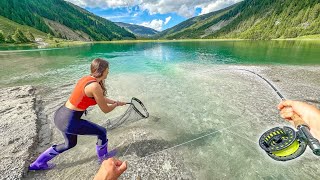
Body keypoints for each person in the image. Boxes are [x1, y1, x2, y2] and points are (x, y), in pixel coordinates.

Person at [29, 58, 126, 170]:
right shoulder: (95, 86)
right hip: (70, 121)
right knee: (102, 132)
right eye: (107, 70)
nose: (108, 72)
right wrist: (116, 105)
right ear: (102, 71)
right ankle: (103, 158)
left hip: (60, 115)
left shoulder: (87, 79)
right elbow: (106, 110)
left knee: (69, 144)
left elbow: (99, 97)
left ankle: (37, 164)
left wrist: (115, 102)